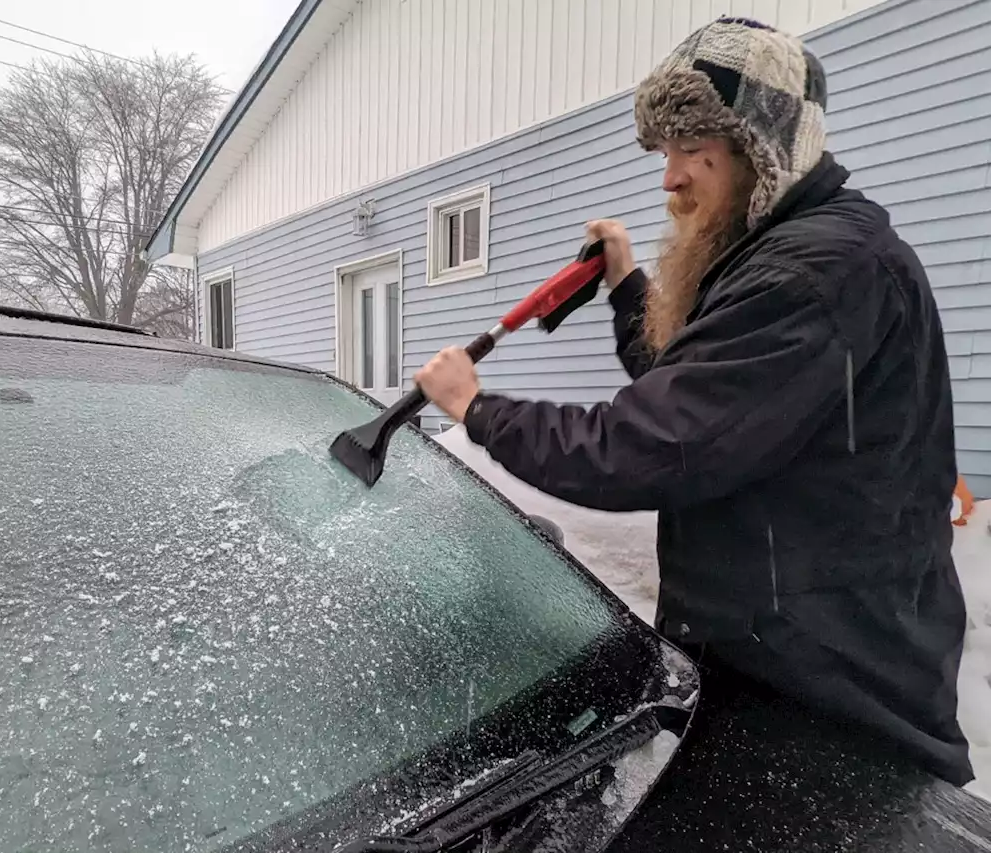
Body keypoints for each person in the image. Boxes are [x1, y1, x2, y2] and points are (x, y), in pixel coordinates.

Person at [414, 16, 974, 785]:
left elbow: (648, 445)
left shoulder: (813, 273)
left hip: (831, 699)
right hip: (781, 662)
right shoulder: (780, 250)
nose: (669, 177)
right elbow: (702, 389)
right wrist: (625, 285)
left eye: (691, 149)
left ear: (762, 147)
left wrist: (477, 407)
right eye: (666, 151)